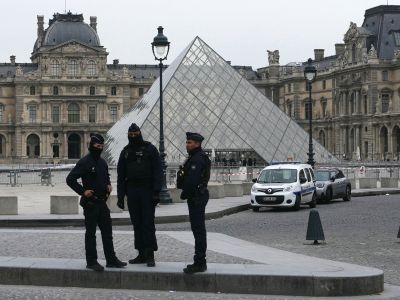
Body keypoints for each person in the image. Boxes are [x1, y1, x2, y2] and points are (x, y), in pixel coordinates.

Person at [66, 133, 126, 272]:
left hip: (102, 202)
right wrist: (82, 191)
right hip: (90, 203)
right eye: (97, 146)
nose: (100, 148)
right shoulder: (84, 161)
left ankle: (111, 259)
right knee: (91, 234)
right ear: (91, 146)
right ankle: (91, 261)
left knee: (107, 232)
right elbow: (70, 179)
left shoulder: (103, 162)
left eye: (101, 146)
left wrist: (109, 185)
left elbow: (106, 177)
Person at [116, 123, 162, 267]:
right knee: (137, 224)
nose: (133, 136)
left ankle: (150, 254)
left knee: (148, 223)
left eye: (135, 134)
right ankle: (141, 253)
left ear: (140, 133)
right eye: (131, 135)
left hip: (147, 190)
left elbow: (158, 172)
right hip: (132, 191)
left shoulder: (150, 149)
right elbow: (120, 176)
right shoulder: (125, 152)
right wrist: (120, 196)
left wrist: (156, 192)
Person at [178, 132, 211, 274]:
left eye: (189, 143)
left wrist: (184, 194)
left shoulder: (197, 159)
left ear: (197, 144)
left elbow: (192, 180)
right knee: (197, 230)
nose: (187, 145)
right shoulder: (195, 157)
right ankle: (199, 260)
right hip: (196, 196)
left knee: (198, 230)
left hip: (196, 196)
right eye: (186, 142)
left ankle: (200, 262)